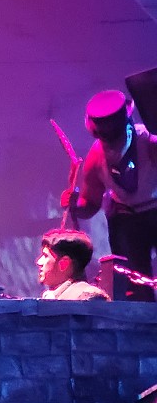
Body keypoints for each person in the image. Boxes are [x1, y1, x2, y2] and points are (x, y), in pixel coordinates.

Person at [61, 89, 157, 302]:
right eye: (104, 135)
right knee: (135, 283)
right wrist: (75, 205)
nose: (110, 142)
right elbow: (90, 203)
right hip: (127, 220)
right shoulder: (96, 157)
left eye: (114, 133)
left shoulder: (149, 142)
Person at [36, 229, 110, 300]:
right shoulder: (51, 296)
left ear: (64, 263)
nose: (39, 262)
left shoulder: (88, 296)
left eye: (45, 256)